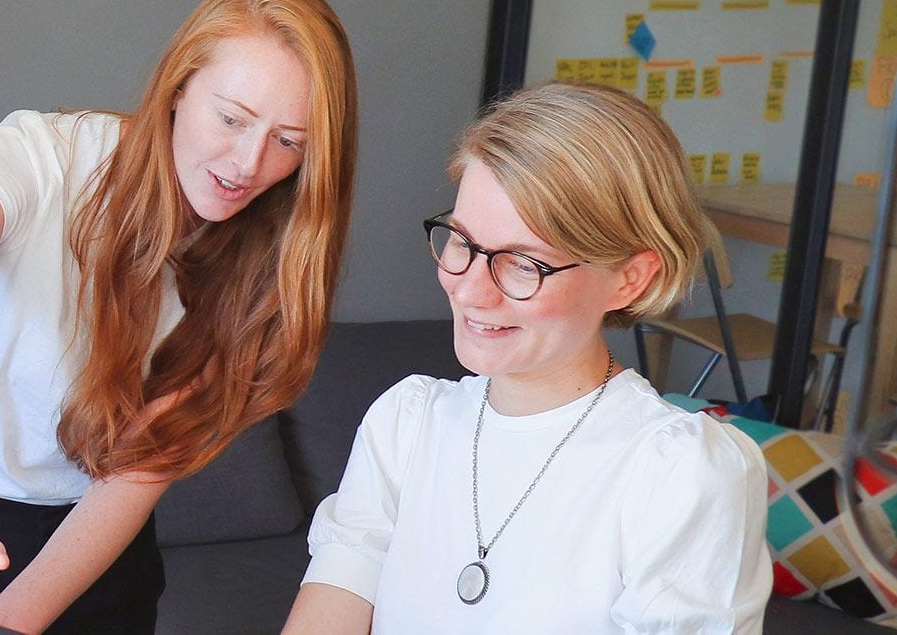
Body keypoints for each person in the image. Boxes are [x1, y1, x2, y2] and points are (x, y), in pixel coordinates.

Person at [0, 0, 358, 633]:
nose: (246, 162)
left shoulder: (268, 270)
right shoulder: (42, 155)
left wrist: (3, 627)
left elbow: (131, 480)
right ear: (179, 87)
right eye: (231, 119)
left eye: (289, 140)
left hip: (88, 563)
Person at [284, 82, 772, 633]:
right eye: (461, 241)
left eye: (523, 263)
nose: (469, 291)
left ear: (630, 280)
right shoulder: (406, 426)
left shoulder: (681, 473)